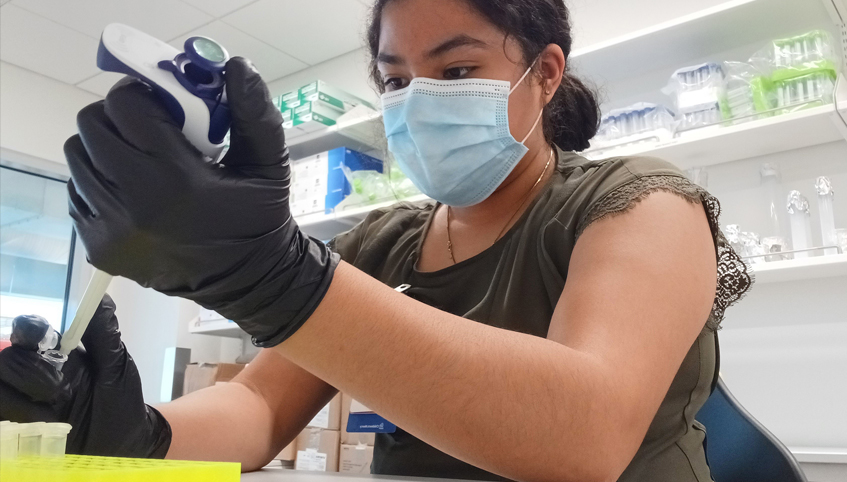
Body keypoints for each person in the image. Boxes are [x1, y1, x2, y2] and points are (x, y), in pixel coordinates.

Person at [0, 0, 753, 480]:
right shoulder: (380, 242)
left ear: (545, 73)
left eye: (455, 69)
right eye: (394, 83)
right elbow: (260, 413)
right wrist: (136, 434)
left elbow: (581, 440)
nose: (416, 100)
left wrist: (272, 277)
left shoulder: (640, 201)